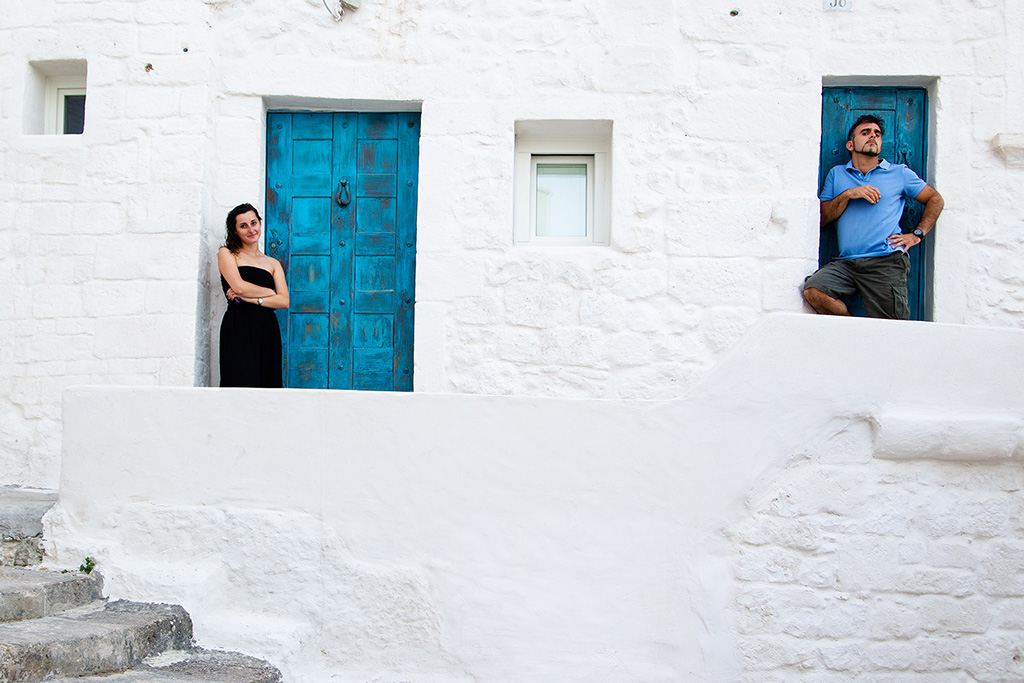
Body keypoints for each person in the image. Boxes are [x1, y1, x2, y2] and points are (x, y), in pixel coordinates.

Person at [803, 114, 944, 319]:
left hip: (885, 260)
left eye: (877, 134)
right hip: (846, 262)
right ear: (850, 145)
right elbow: (822, 218)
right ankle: (854, 332)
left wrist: (917, 234)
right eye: (865, 132)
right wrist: (848, 194)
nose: (873, 136)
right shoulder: (837, 174)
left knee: (891, 326)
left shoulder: (899, 173)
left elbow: (935, 199)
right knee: (814, 291)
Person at [218, 203, 290, 387]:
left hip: (267, 328)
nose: (251, 229)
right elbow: (239, 287)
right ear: (235, 231)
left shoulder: (272, 263)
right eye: (243, 226)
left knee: (268, 384)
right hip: (238, 325)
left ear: (260, 223)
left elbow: (284, 300)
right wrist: (269, 292)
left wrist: (254, 299)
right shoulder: (227, 253)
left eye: (253, 223)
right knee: (239, 381)